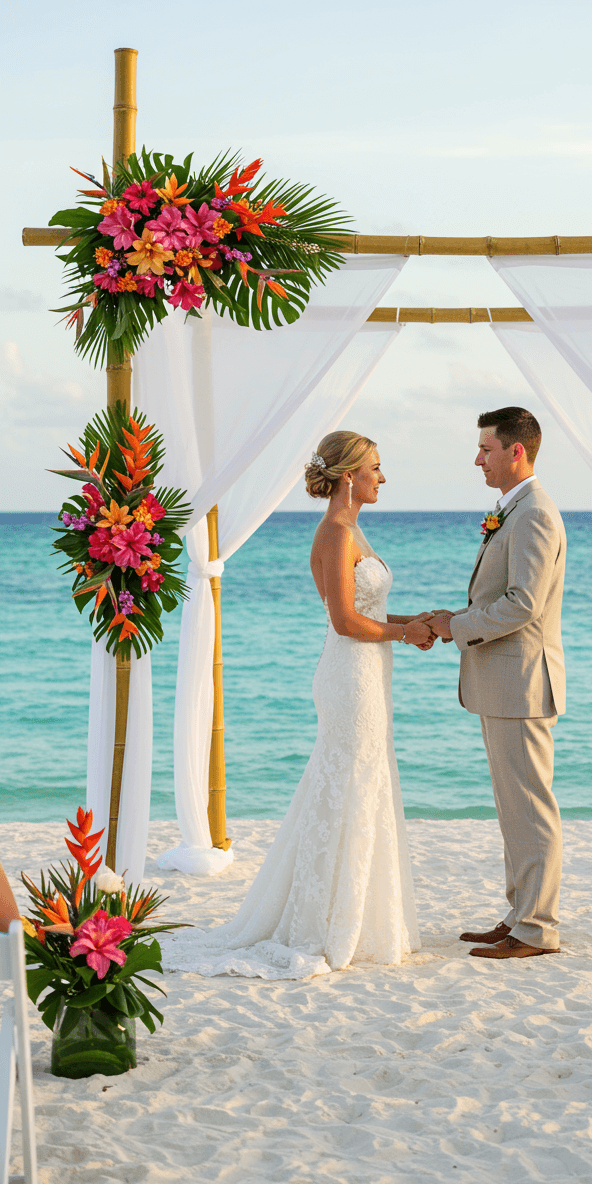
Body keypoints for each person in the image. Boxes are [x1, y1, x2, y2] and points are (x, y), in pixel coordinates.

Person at [163, 432, 432, 979]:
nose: (383, 478)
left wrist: (417, 622)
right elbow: (343, 621)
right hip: (350, 674)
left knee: (365, 781)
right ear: (350, 474)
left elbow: (368, 609)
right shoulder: (335, 532)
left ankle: (358, 914)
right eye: (376, 468)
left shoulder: (354, 529)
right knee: (347, 782)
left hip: (368, 670)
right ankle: (326, 920)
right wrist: (404, 635)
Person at [428, 407, 566, 960]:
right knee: (515, 808)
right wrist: (454, 616)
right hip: (504, 683)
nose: (477, 459)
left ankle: (536, 929)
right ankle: (520, 916)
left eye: (485, 448)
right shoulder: (514, 510)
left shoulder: (533, 513)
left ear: (517, 451)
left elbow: (523, 606)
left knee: (531, 809)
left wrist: (457, 627)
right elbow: (500, 597)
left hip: (523, 683)